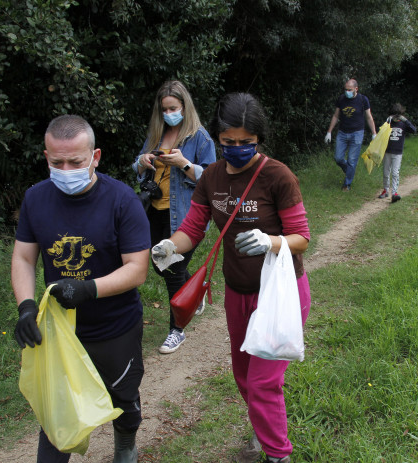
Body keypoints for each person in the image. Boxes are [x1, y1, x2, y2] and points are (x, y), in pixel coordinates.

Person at [151, 93, 310, 463]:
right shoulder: (212, 177)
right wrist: (169, 246)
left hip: (280, 293)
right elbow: (193, 227)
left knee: (263, 381)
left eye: (246, 143)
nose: (237, 149)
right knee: (243, 375)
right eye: (228, 143)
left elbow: (301, 238)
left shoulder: (278, 176)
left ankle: (277, 455)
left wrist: (269, 241)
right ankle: (262, 431)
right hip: (238, 291)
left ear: (259, 139)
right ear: (218, 138)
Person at [12, 115, 150, 463]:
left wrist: (89, 289)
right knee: (58, 417)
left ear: (95, 156)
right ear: (46, 157)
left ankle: (125, 444)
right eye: (57, 162)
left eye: (75, 161)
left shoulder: (122, 200)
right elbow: (24, 259)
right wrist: (26, 306)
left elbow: (137, 269)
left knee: (124, 401)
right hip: (62, 331)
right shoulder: (35, 199)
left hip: (115, 326)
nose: (66, 169)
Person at [132, 80, 216, 354]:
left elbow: (213, 178)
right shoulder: (158, 134)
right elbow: (137, 165)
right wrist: (144, 161)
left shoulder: (200, 138)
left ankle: (176, 330)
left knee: (172, 269)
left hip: (187, 216)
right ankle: (195, 292)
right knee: (160, 264)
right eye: (165, 109)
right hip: (155, 211)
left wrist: (184, 164)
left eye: (174, 108)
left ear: (185, 107)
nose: (169, 113)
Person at [324, 79, 377, 191]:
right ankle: (349, 170)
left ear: (356, 89)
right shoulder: (341, 99)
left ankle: (347, 184)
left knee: (352, 160)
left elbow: (368, 117)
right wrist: (329, 132)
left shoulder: (363, 100)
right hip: (342, 132)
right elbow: (335, 116)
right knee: (338, 158)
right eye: (345, 89)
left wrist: (374, 133)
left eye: (349, 90)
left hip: (357, 133)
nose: (347, 91)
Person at [378, 103, 416, 203]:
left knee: (395, 173)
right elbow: (380, 132)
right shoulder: (388, 123)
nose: (396, 117)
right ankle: (386, 190)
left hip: (398, 153)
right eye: (394, 115)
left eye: (398, 115)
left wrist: (405, 120)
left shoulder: (403, 124)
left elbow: (413, 130)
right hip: (387, 152)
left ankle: (394, 192)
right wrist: (387, 120)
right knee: (386, 173)